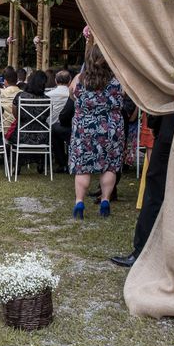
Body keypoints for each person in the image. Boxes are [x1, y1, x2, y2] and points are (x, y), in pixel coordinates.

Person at [110, 112, 174, 267]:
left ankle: (142, 251)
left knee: (155, 190)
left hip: (171, 128)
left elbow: (160, 100)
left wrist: (154, 124)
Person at [69, 45, 124, 220]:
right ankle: (105, 200)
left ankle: (79, 202)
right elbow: (124, 96)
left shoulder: (79, 79)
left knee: (82, 166)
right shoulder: (118, 80)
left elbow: (72, 96)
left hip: (84, 128)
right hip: (111, 129)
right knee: (109, 166)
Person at [12, 71, 51, 172]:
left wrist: (23, 122)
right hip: (42, 136)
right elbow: (46, 116)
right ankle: (41, 164)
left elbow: (15, 113)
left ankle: (16, 166)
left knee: (13, 135)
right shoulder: (47, 99)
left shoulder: (20, 96)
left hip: (22, 135)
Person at [0, 67, 21, 132]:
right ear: (17, 80)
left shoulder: (0, 93)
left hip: (2, 128)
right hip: (19, 128)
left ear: (5, 81)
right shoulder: (22, 94)